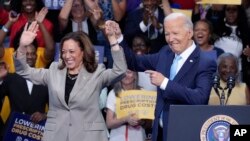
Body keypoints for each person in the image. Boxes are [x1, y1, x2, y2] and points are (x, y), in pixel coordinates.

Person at [107, 13, 217, 141]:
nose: (170, 39)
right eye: (167, 34)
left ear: (190, 33)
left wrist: (165, 83)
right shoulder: (165, 53)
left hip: (185, 134)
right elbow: (134, 62)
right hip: (159, 134)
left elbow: (200, 98)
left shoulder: (204, 61)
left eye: (175, 33)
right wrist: (119, 38)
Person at [13, 21, 127, 141]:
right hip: (56, 136)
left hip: (89, 136)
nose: (67, 56)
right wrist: (22, 45)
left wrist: (113, 41)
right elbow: (23, 71)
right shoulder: (53, 71)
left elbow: (120, 71)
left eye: (71, 51)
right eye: (63, 52)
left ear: (83, 52)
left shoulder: (97, 73)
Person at [0, 0, 54, 72]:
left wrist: (40, 23)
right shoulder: (9, 54)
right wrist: (10, 22)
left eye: (31, 54)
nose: (28, 57)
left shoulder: (39, 54)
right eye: (25, 0)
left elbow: (50, 49)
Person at [106, 69, 146, 141]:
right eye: (122, 72)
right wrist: (126, 119)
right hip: (117, 137)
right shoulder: (113, 93)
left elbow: (149, 122)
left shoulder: (142, 92)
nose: (125, 75)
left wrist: (141, 121)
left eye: (129, 72)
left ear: (135, 76)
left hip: (138, 137)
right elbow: (109, 123)